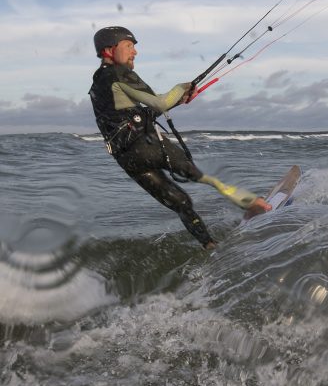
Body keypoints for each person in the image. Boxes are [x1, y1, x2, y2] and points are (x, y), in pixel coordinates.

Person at [88, 26, 271, 249]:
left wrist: (180, 99)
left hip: (128, 160)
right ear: (109, 50)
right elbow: (158, 103)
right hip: (149, 146)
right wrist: (182, 87)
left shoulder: (97, 85)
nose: (134, 52)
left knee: (182, 204)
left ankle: (209, 245)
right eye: (128, 46)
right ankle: (254, 204)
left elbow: (135, 115)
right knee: (203, 177)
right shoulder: (119, 73)